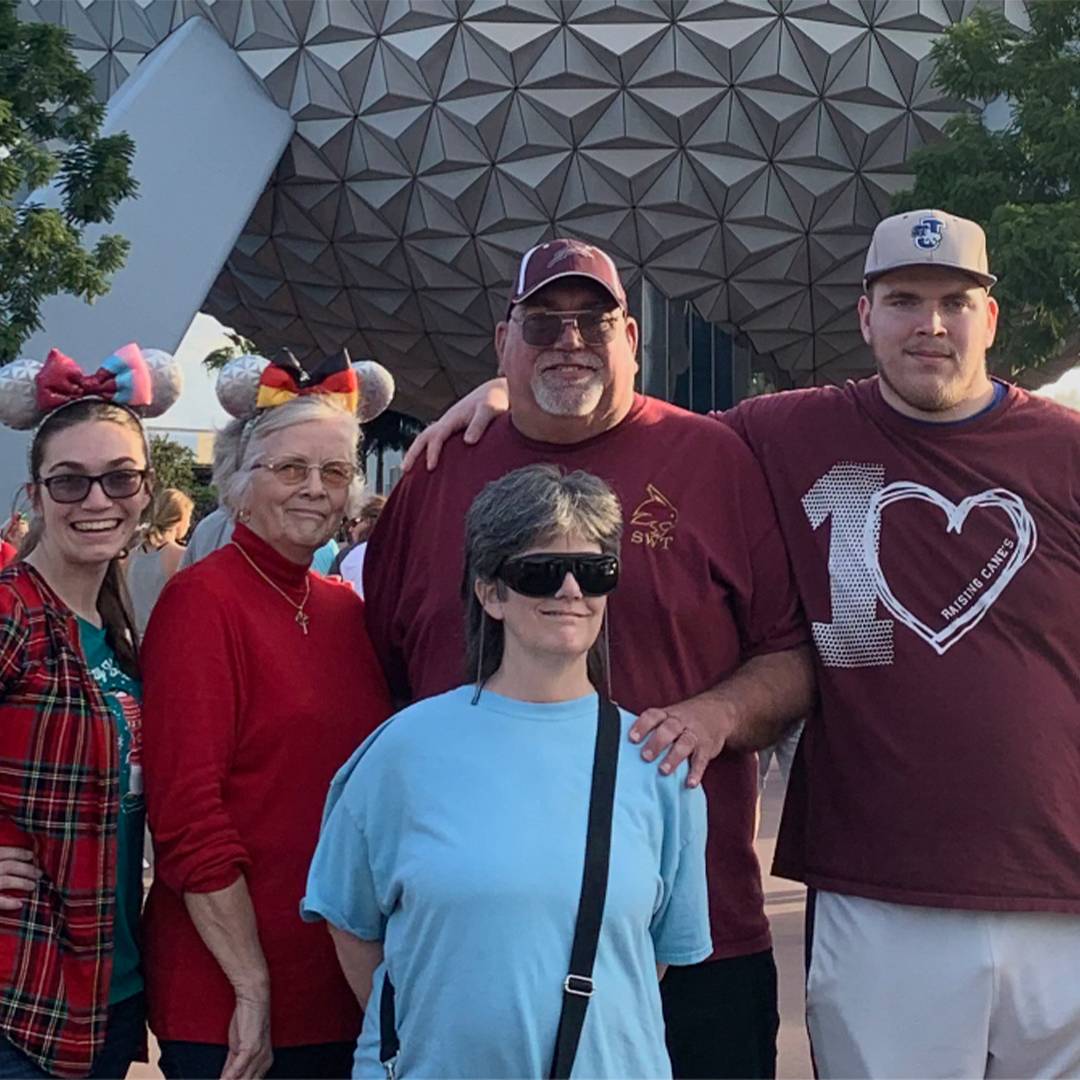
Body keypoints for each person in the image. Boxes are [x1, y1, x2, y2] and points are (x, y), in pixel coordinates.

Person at [402, 210, 1080, 1077]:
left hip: (1059, 884)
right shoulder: (781, 432)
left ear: (991, 317)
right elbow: (607, 416)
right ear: (865, 316)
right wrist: (503, 397)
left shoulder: (1063, 451)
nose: (931, 324)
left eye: (955, 300)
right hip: (879, 888)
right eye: (904, 299)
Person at [363, 238, 815, 1079]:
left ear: (632, 338)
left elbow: (790, 656)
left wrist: (714, 715)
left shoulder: (714, 459)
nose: (569, 341)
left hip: (690, 928)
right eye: (543, 323)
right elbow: (390, 663)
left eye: (592, 322)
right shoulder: (439, 468)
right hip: (475, 941)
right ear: (504, 341)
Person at [304, 464, 711, 1077]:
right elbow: (351, 924)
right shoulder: (401, 753)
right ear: (490, 592)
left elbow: (648, 955)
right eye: (542, 572)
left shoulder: (655, 761)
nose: (572, 590)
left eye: (594, 571)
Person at [140, 354, 392, 1080]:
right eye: (290, 469)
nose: (315, 489)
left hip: (341, 989)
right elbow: (187, 814)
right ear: (239, 485)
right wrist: (251, 984)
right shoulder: (203, 603)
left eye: (336, 472)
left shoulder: (345, 610)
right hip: (234, 999)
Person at [0, 343, 181, 1077]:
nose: (97, 501)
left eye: (119, 478)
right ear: (36, 495)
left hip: (110, 994)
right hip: (21, 994)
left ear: (145, 489)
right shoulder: (12, 612)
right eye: (70, 482)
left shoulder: (118, 630)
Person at [125, 487, 193, 637]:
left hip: (133, 642)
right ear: (179, 520)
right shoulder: (182, 556)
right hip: (165, 639)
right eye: (188, 519)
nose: (188, 525)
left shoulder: (128, 557)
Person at [329, 495, 385, 595]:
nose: (351, 529)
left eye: (355, 523)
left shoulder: (347, 555)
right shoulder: (403, 553)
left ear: (368, 522)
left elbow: (330, 593)